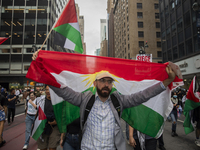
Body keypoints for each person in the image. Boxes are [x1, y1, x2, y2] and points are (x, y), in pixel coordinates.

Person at [32, 50, 175, 149]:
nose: (106, 84)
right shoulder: (84, 99)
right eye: (102, 81)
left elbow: (143, 95)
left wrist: (166, 82)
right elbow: (62, 90)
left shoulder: (119, 100)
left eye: (109, 81)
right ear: (95, 83)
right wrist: (41, 68)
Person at [36, 85, 60, 150]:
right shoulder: (41, 100)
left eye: (50, 90)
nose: (48, 91)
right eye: (46, 90)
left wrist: (56, 122)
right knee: (42, 147)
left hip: (55, 127)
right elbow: (37, 114)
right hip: (43, 127)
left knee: (52, 147)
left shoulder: (58, 101)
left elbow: (62, 115)